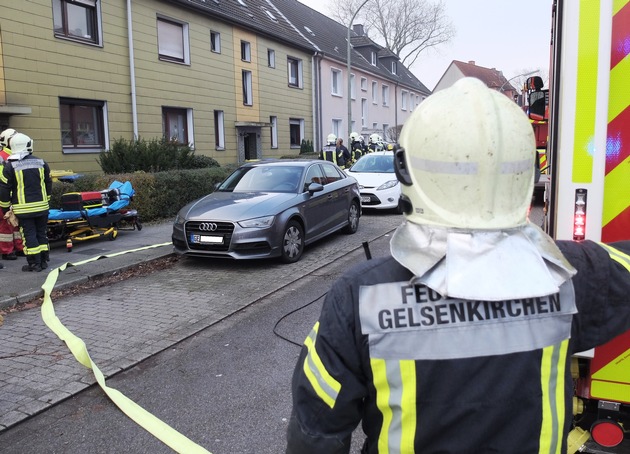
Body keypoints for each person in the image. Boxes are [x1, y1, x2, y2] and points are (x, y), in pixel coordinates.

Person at [286, 77, 630, 453]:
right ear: (525, 173)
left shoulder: (360, 297)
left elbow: (316, 435)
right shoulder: (569, 274)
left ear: (406, 171)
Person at [0, 132, 52, 272]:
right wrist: (47, 200)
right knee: (41, 233)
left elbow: (4, 190)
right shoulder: (41, 162)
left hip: (24, 210)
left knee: (29, 235)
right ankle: (43, 260)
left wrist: (5, 209)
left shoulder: (10, 166)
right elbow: (48, 184)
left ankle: (34, 263)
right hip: (42, 207)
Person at [0, 128, 24, 261]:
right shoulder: (2, 157)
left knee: (16, 223)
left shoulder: (17, 155)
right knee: (6, 224)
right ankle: (6, 251)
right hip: (4, 196)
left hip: (16, 195)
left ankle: (19, 248)